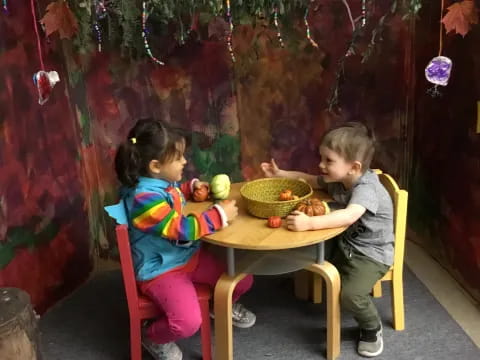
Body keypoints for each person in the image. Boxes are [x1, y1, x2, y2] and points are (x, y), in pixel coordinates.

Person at [113, 118, 255, 360]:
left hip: (187, 256)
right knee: (187, 323)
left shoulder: (161, 183)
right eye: (179, 157)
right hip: (162, 270)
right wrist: (218, 216)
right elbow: (178, 228)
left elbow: (174, 194)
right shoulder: (143, 199)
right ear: (156, 165)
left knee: (242, 279)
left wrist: (191, 188)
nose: (185, 161)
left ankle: (215, 306)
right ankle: (152, 336)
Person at [261, 122, 393, 357]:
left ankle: (371, 327)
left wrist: (310, 223)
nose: (321, 165)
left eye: (328, 161)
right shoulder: (341, 179)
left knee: (352, 295)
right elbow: (309, 180)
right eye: (321, 158)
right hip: (347, 243)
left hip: (371, 254)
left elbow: (349, 215)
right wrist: (281, 174)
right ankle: (302, 273)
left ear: (354, 167)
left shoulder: (366, 189)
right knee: (307, 248)